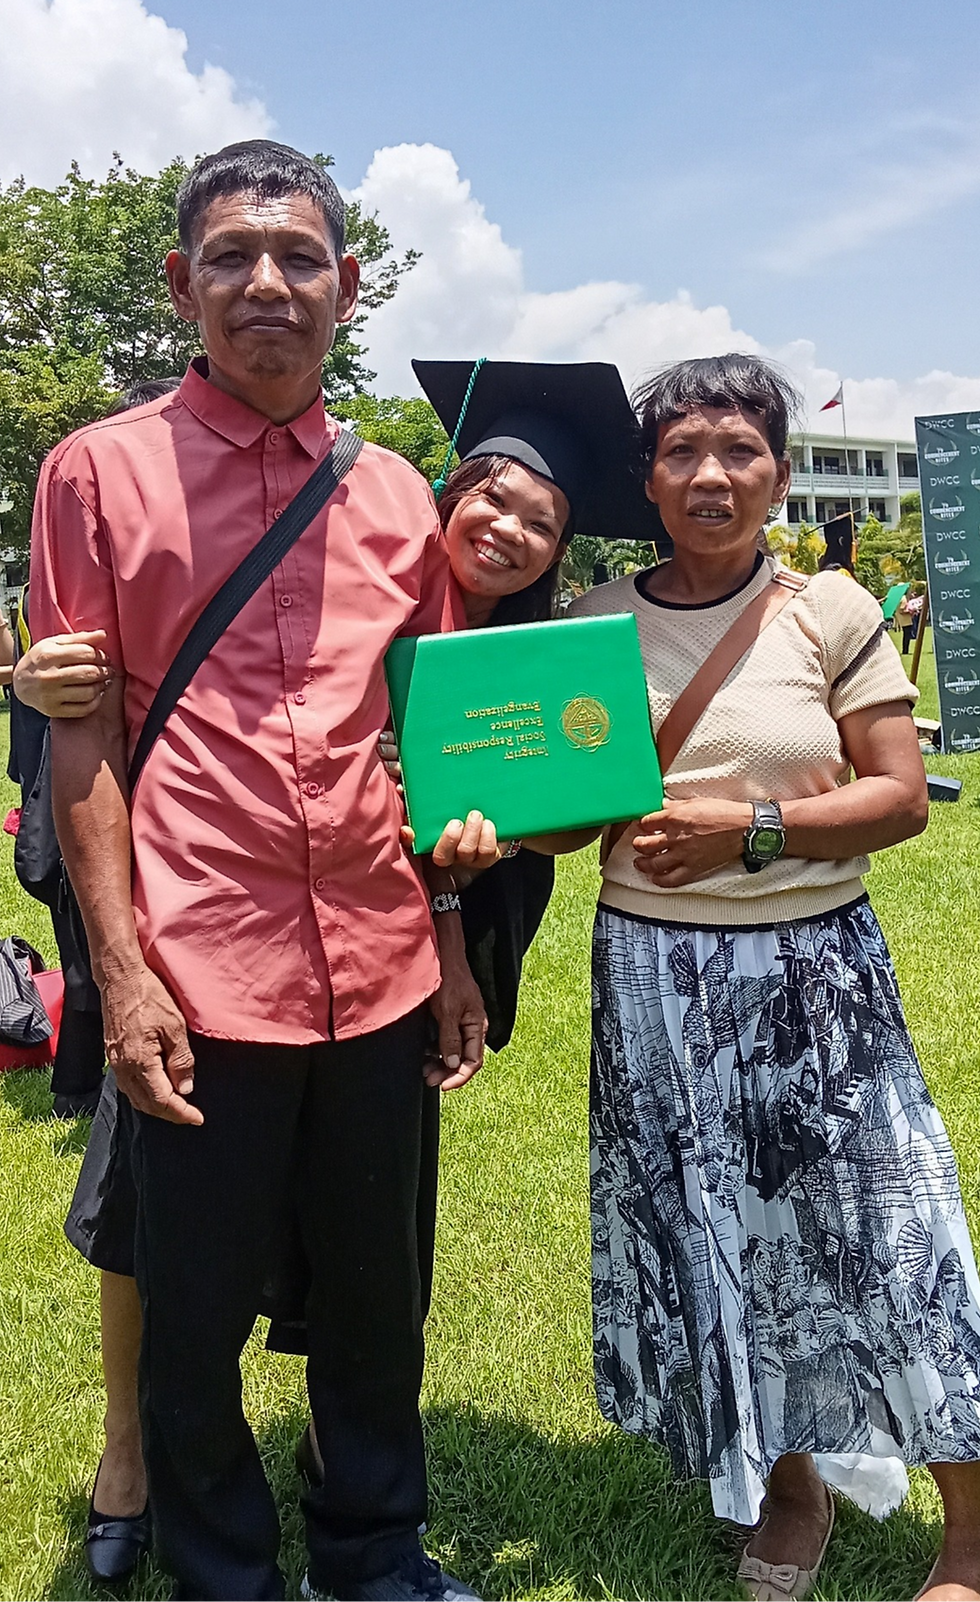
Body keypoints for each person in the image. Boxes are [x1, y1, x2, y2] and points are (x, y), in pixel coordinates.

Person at [18, 356, 660, 1559]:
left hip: (409, 928)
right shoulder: (327, 523)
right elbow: (133, 692)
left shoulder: (539, 633)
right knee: (154, 1226)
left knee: (367, 1246)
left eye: (542, 519)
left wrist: (457, 930)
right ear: (450, 489)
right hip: (207, 929)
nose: (508, 528)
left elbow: (568, 802)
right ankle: (135, 1460)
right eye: (494, 496)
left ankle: (352, 1485)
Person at [28, 139, 489, 1602]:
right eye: (231, 255)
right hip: (199, 967)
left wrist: (456, 948)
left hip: (380, 960)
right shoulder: (94, 475)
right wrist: (121, 967)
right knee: (192, 1305)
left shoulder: (400, 500)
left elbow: (434, 748)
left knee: (376, 1299)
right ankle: (224, 1569)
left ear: (347, 288)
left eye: (299, 257)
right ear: (183, 283)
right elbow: (78, 738)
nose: (266, 283)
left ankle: (374, 1551)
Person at [539, 354, 980, 1602]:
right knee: (716, 1232)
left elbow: (898, 799)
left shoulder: (828, 612)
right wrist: (508, 821)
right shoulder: (591, 622)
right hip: (650, 980)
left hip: (812, 973)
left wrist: (752, 834)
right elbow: (571, 823)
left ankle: (969, 1529)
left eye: (736, 449)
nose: (710, 475)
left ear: (777, 474)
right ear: (647, 478)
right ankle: (786, 1491)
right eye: (681, 452)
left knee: (888, 1233)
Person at [9, 381, 181, 1122]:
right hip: (88, 770)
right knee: (90, 937)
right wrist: (28, 676)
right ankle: (90, 1086)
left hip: (148, 779)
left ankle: (90, 1085)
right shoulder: (76, 529)